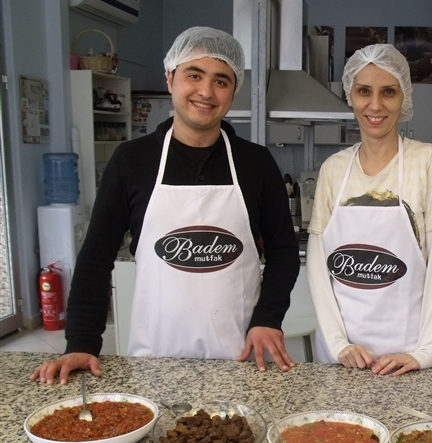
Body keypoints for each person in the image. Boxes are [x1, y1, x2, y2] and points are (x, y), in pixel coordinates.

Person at [32, 27, 300, 385]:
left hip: (242, 354)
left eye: (221, 81)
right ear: (170, 78)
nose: (206, 91)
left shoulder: (256, 163)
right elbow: (96, 257)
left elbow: (283, 251)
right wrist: (81, 341)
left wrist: (268, 317)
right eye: (194, 75)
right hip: (155, 357)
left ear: (233, 91)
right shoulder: (131, 161)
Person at [306, 44, 432, 377]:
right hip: (341, 359)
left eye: (388, 92)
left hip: (406, 356)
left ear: (404, 98)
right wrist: (338, 344)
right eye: (364, 91)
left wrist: (425, 352)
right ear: (350, 95)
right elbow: (317, 265)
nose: (375, 105)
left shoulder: (429, 161)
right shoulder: (334, 168)